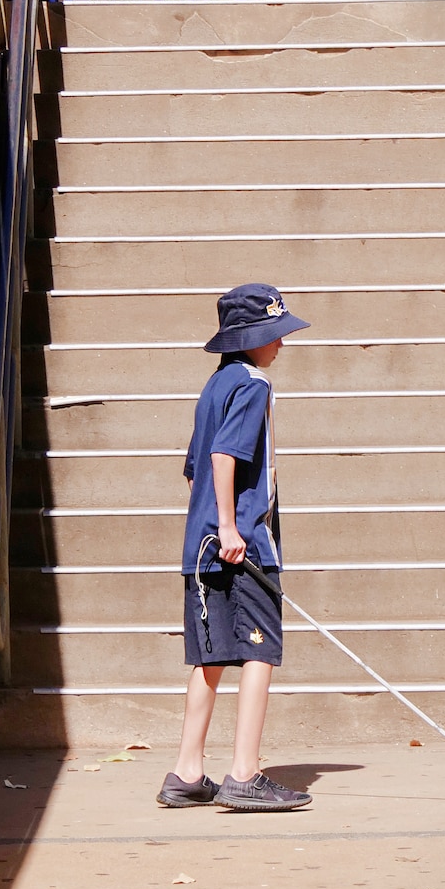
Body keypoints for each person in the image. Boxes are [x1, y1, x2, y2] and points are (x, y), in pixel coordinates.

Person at [156, 283, 313, 811]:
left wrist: (210, 524)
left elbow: (194, 469)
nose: (281, 345)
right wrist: (231, 527)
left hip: (201, 546)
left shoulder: (215, 385)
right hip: (242, 545)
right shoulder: (253, 384)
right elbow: (224, 458)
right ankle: (245, 773)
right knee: (259, 652)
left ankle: (186, 771)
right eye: (275, 335)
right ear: (251, 338)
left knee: (212, 656)